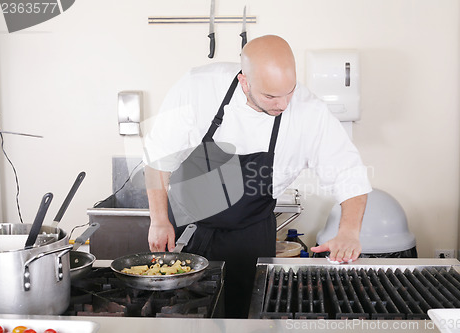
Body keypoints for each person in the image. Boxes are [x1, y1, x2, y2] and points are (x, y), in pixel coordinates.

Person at [143, 35, 371, 318]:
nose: (284, 104)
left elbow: (348, 171)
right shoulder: (198, 88)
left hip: (250, 237)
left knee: (247, 317)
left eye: (290, 91)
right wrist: (158, 219)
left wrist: (348, 231)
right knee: (179, 315)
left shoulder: (308, 111)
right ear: (245, 82)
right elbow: (157, 158)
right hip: (188, 233)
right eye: (271, 96)